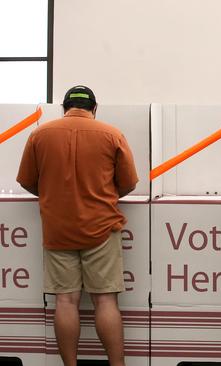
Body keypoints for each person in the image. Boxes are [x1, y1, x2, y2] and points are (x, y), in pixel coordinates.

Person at [17, 85, 138, 366]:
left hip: (58, 229)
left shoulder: (39, 135)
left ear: (64, 108)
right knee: (105, 301)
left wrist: (51, 197)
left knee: (65, 302)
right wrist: (103, 197)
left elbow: (26, 180)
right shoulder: (112, 134)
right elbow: (129, 183)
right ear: (94, 109)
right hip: (102, 229)